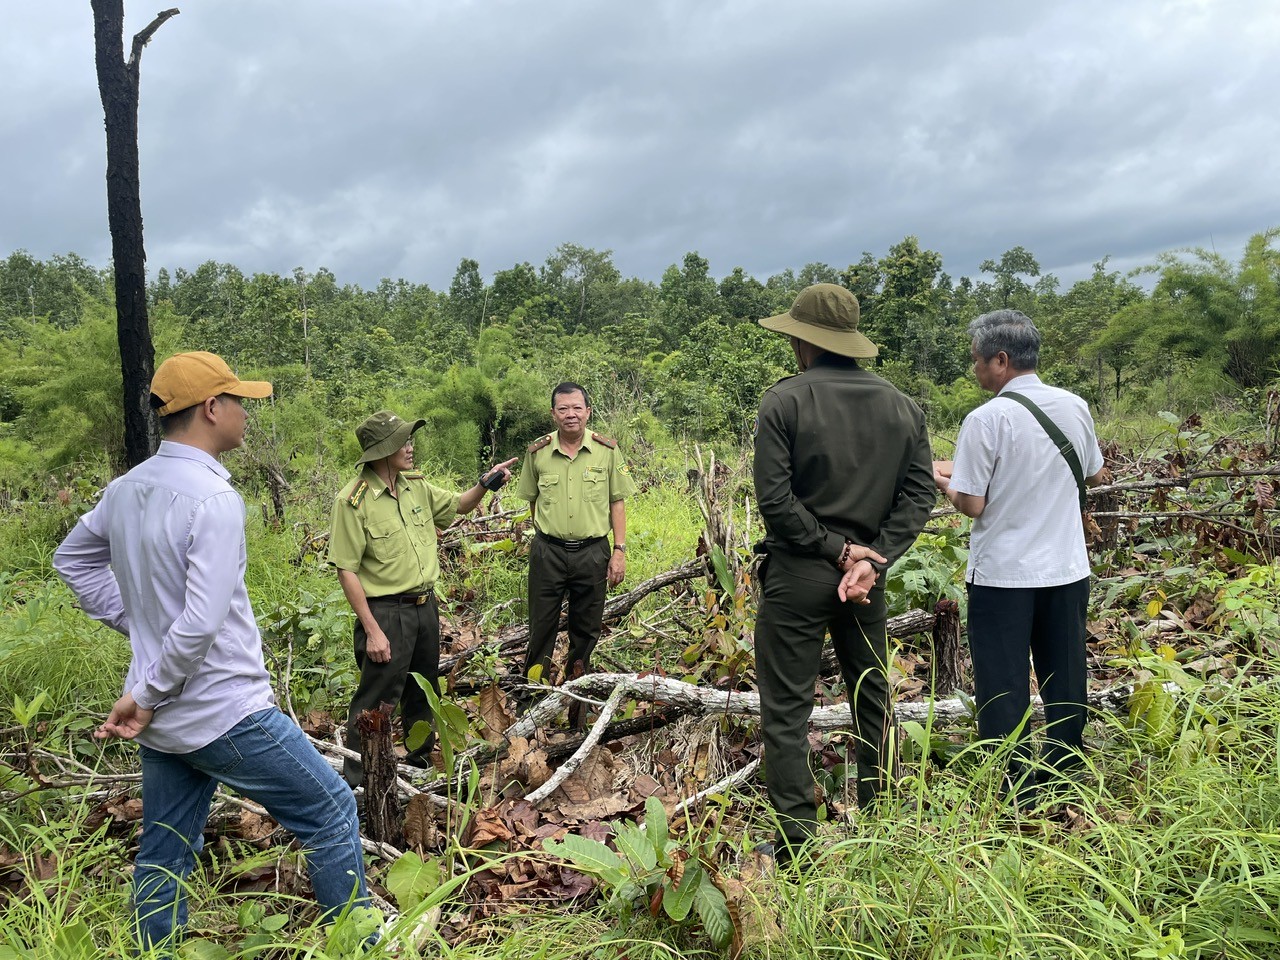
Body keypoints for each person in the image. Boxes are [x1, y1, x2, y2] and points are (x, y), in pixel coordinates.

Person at [53, 351, 369, 952]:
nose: (246, 414)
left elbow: (71, 561)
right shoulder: (213, 500)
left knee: (166, 847)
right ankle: (360, 943)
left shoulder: (126, 490)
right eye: (239, 402)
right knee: (329, 810)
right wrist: (147, 688)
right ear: (211, 408)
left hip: (165, 719)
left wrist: (137, 626)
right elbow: (199, 625)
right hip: (223, 710)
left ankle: (156, 949)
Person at [752, 283, 935, 859]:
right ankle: (882, 827)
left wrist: (838, 553)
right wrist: (871, 557)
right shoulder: (903, 407)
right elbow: (919, 494)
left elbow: (776, 502)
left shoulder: (782, 403)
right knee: (872, 696)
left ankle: (797, 845)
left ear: (803, 343)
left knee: (787, 708)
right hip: (866, 586)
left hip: (800, 575)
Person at [933, 309, 1106, 806]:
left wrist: (944, 480)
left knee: (1003, 684)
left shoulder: (986, 419)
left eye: (976, 361)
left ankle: (1013, 790)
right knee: (1066, 676)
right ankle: (1066, 778)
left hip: (1003, 577)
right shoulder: (1074, 406)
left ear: (1001, 360)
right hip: (1067, 569)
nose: (974, 370)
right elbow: (1093, 474)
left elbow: (972, 503)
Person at [328, 411, 516, 786]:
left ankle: (418, 769)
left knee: (421, 692)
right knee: (374, 702)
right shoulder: (353, 501)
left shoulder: (415, 486)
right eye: (403, 442)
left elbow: (459, 506)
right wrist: (373, 630)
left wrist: (485, 483)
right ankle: (358, 785)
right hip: (385, 613)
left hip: (424, 607)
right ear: (383, 451)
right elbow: (346, 570)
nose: (410, 447)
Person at [517, 382, 637, 688]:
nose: (571, 414)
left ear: (588, 411)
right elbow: (533, 500)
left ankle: (576, 693)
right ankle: (534, 694)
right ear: (553, 414)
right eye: (563, 408)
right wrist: (547, 536)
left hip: (593, 552)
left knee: (586, 629)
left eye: (577, 408)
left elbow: (617, 502)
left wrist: (619, 550)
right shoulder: (538, 452)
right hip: (548, 552)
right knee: (541, 626)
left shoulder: (607, 451)